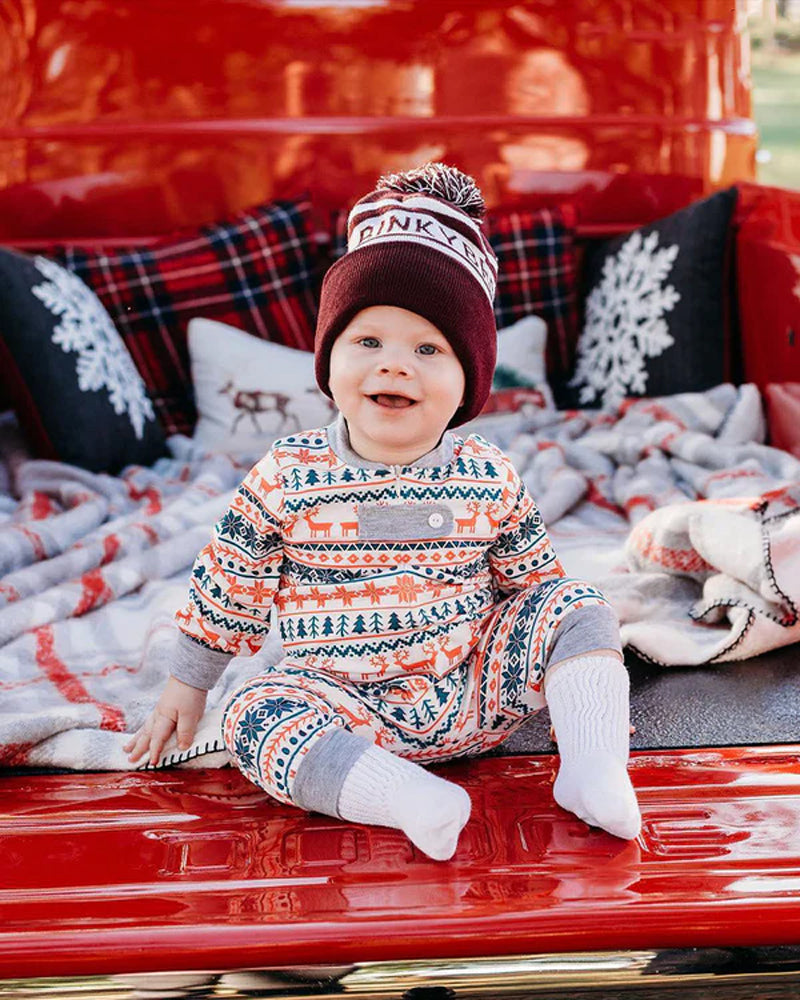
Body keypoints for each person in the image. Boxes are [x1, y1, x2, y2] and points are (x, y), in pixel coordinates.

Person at [126, 163, 641, 860]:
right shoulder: (289, 475)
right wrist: (186, 688)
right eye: (368, 342)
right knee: (251, 712)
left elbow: (535, 590)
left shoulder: (486, 474)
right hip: (344, 707)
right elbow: (227, 585)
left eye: (429, 349)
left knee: (578, 604)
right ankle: (404, 797)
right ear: (329, 361)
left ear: (468, 383)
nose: (396, 365)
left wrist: (579, 689)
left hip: (470, 691)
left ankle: (593, 769)